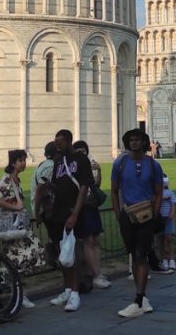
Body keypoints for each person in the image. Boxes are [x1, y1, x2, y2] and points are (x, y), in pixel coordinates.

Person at [111, 128, 164, 319]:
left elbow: (159, 192)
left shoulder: (153, 164)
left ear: (144, 142)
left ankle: (139, 299)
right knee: (134, 254)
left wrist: (155, 213)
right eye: (131, 140)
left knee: (141, 253)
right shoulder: (120, 163)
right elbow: (114, 190)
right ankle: (142, 295)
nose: (134, 143)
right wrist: (119, 214)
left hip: (146, 216)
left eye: (138, 139)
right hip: (128, 214)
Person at [40, 129, 93, 312]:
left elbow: (84, 188)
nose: (58, 145)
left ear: (69, 141)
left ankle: (75, 293)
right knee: (63, 254)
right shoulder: (58, 161)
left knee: (72, 254)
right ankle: (67, 289)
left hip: (73, 212)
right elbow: (57, 186)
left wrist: (75, 214)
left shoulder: (81, 160)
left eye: (61, 142)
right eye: (56, 143)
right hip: (58, 213)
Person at [0, 149, 45, 307]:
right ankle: (17, 292)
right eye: (20, 160)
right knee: (26, 254)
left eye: (24, 160)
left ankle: (16, 290)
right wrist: (16, 208)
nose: (23, 163)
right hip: (11, 228)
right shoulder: (7, 180)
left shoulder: (15, 180)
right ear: (13, 163)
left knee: (22, 258)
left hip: (16, 227)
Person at [72, 140, 110, 289]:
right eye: (79, 151)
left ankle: (98, 272)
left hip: (92, 206)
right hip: (83, 207)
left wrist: (99, 170)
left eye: (84, 150)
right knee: (89, 240)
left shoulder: (89, 165)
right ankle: (95, 275)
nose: (82, 153)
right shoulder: (74, 168)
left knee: (96, 240)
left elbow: (95, 186)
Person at [30, 141, 57, 220]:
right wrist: (37, 215)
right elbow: (40, 190)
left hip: (44, 209)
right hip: (47, 210)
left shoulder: (44, 164)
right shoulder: (50, 167)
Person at [156, 175, 176, 272]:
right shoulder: (156, 193)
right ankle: (163, 259)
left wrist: (172, 213)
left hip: (168, 218)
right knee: (160, 238)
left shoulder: (170, 192)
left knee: (169, 238)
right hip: (159, 219)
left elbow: (173, 203)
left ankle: (172, 259)